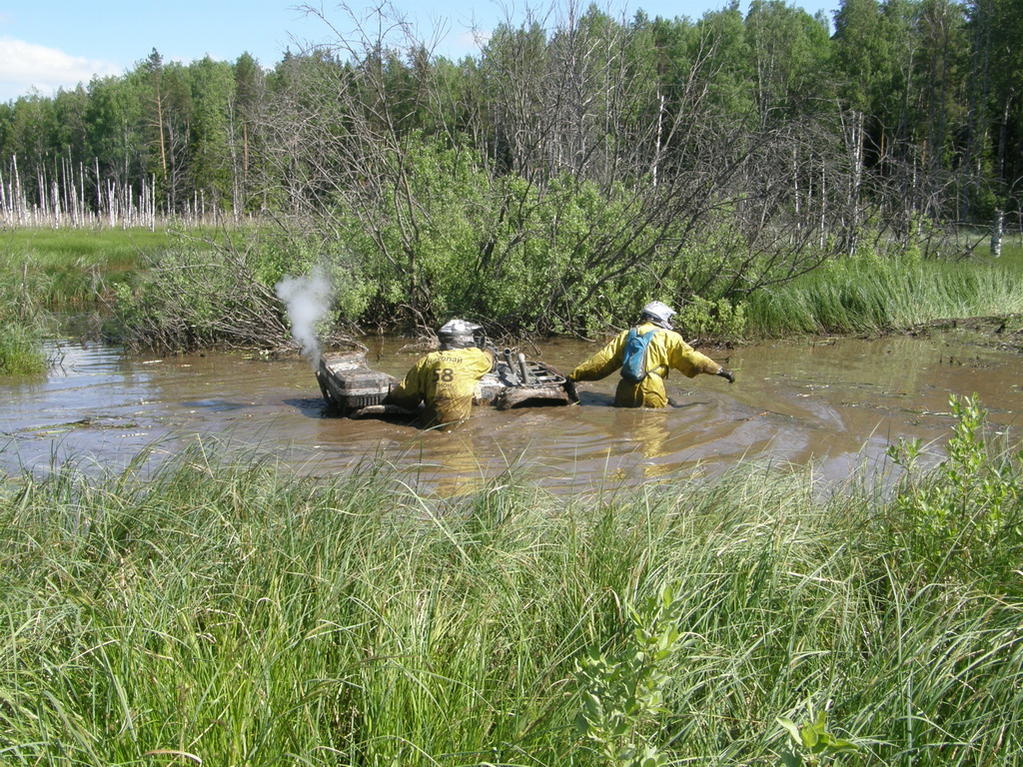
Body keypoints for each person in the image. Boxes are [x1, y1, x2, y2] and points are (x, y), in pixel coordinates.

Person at [567, 300, 735, 408]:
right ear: (662, 318)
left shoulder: (627, 334)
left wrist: (573, 376)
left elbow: (601, 362)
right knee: (652, 438)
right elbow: (695, 361)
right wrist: (721, 371)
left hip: (624, 390)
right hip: (653, 391)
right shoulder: (670, 337)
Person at [387, 319, 495, 427]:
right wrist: (490, 351)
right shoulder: (474, 357)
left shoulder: (427, 360)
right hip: (460, 423)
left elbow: (405, 398)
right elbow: (489, 359)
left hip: (429, 424)